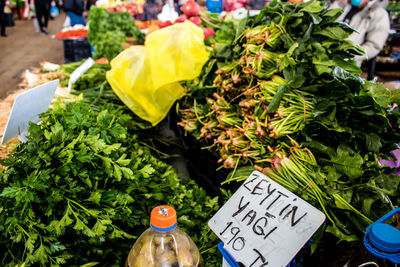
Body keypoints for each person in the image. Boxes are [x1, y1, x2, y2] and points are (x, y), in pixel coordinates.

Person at [330, 0, 391, 66]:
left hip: (345, 64)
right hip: (324, 55)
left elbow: (374, 46)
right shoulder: (344, 4)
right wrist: (339, 4)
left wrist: (348, 55)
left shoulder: (379, 14)